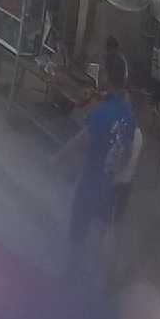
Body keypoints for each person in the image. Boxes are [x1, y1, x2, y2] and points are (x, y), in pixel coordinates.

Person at [53, 58, 136, 277]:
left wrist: (58, 157)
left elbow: (81, 140)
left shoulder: (102, 113)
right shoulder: (128, 116)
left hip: (90, 180)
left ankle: (71, 273)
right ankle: (99, 278)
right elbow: (126, 154)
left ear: (107, 76)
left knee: (78, 230)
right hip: (108, 184)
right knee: (102, 230)